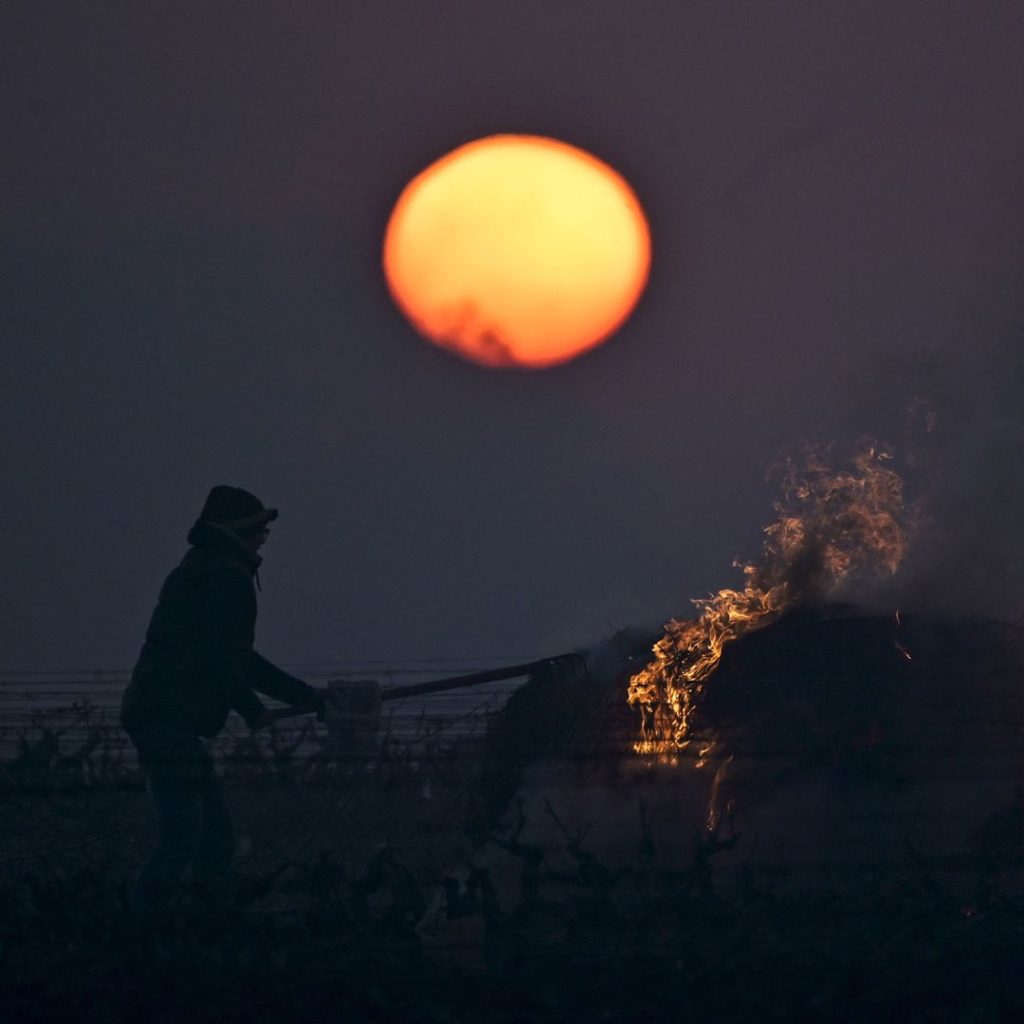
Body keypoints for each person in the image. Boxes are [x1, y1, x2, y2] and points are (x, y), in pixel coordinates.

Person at [121, 485, 324, 906]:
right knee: (185, 839)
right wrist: (254, 709)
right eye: (260, 528)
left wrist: (305, 697)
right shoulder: (224, 574)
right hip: (167, 719)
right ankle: (145, 930)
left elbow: (233, 656)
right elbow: (224, 657)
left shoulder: (206, 566)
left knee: (213, 839)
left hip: (164, 716)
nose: (265, 536)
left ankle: (195, 924)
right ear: (241, 532)